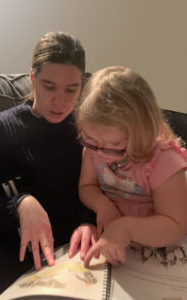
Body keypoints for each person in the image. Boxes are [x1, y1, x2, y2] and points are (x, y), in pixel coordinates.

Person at [0, 31, 95, 270]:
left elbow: (100, 186)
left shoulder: (86, 125)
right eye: (49, 87)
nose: (60, 101)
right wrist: (20, 204)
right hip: (29, 256)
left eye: (71, 90)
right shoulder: (4, 128)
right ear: (32, 77)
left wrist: (90, 222)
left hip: (82, 248)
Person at [70, 65, 187, 267]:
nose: (100, 153)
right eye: (89, 140)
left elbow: (176, 227)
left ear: (143, 133)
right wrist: (102, 205)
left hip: (167, 246)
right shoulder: (93, 150)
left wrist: (126, 228)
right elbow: (86, 187)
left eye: (115, 145)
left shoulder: (163, 161)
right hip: (123, 245)